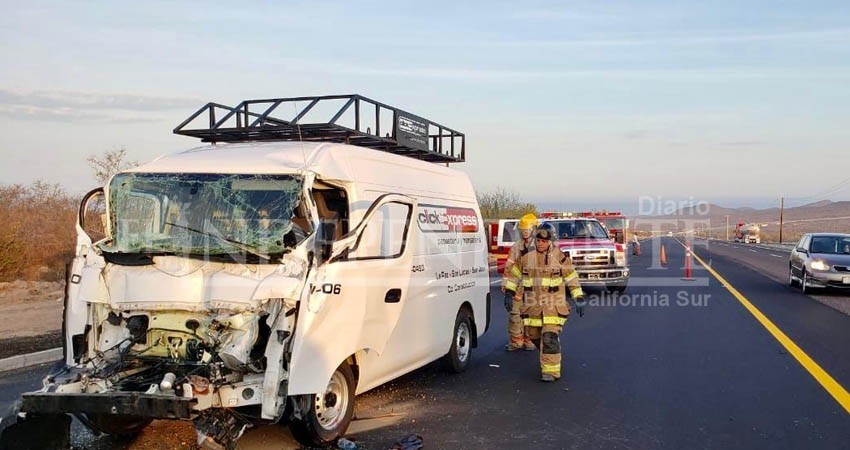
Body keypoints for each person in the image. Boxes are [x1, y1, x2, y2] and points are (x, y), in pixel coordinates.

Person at [514, 223, 584, 382]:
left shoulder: (560, 257)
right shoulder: (526, 258)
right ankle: (550, 352)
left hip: (553, 306)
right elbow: (514, 275)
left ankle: (551, 372)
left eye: (544, 241)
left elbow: (572, 278)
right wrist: (509, 292)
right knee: (533, 335)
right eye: (538, 240)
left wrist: (578, 297)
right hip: (533, 307)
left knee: (549, 337)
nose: (540, 243)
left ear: (551, 241)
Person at [502, 213, 539, 351]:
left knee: (531, 316)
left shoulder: (542, 246)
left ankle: (529, 340)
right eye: (522, 230)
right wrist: (507, 289)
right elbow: (509, 268)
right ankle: (516, 342)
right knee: (515, 315)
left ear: (534, 229)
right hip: (518, 288)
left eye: (527, 230)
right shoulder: (516, 247)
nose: (525, 232)